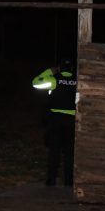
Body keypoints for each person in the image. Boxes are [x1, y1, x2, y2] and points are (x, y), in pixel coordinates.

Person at [32, 58, 78, 186]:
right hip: (72, 121)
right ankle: (69, 181)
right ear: (72, 69)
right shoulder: (78, 81)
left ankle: (51, 180)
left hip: (56, 120)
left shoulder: (54, 80)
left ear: (59, 68)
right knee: (69, 153)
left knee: (54, 151)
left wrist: (49, 72)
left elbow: (35, 83)